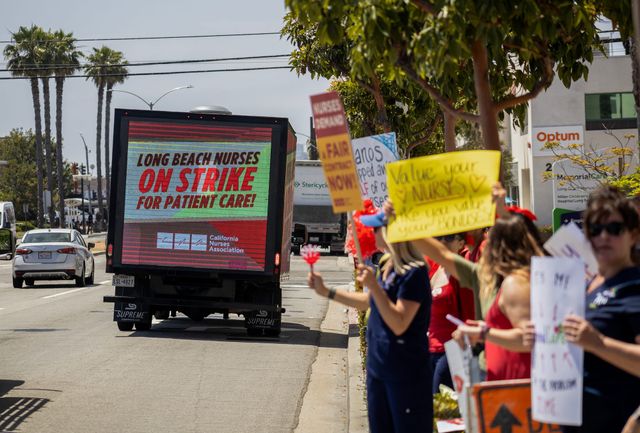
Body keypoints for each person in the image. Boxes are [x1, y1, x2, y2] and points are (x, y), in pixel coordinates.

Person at [524, 186, 640, 433]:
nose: (604, 237)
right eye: (596, 230)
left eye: (614, 228)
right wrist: (543, 337)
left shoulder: (634, 286)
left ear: (633, 234)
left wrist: (599, 343)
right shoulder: (587, 285)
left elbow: (594, 341)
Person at [308, 210, 433, 433]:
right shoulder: (389, 266)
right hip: (380, 368)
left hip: (404, 371)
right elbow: (369, 301)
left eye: (376, 228)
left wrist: (374, 286)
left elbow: (400, 322)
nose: (371, 233)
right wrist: (327, 291)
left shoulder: (415, 272)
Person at [406, 184, 545, 381]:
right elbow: (442, 254)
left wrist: (482, 332)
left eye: (492, 237)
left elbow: (527, 338)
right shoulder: (484, 277)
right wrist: (403, 224)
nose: (486, 242)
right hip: (491, 375)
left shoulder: (518, 284)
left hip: (516, 383)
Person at [427, 232, 475, 394]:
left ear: (461, 243)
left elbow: (470, 313)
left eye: (448, 238)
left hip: (451, 351)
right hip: (431, 349)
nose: (441, 241)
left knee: (442, 407)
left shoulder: (461, 273)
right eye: (438, 237)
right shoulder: (435, 269)